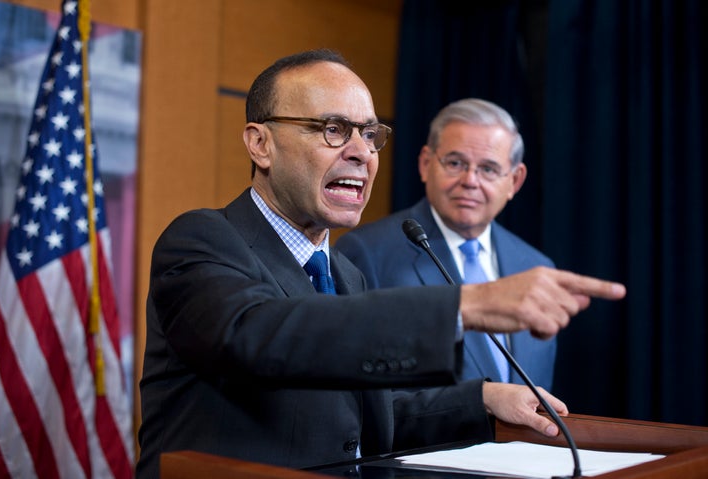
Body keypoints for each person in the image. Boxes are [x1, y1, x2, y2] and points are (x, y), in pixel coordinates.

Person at [135, 49, 626, 478]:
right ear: (260, 143)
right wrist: (464, 305)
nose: (361, 152)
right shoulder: (201, 240)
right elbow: (259, 336)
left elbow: (373, 413)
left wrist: (483, 399)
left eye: (370, 134)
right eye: (332, 129)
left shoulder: (345, 274)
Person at [335, 98, 556, 390]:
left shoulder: (536, 268)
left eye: (488, 169)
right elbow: (358, 391)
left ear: (515, 181)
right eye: (455, 163)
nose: (470, 181)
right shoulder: (366, 254)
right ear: (426, 164)